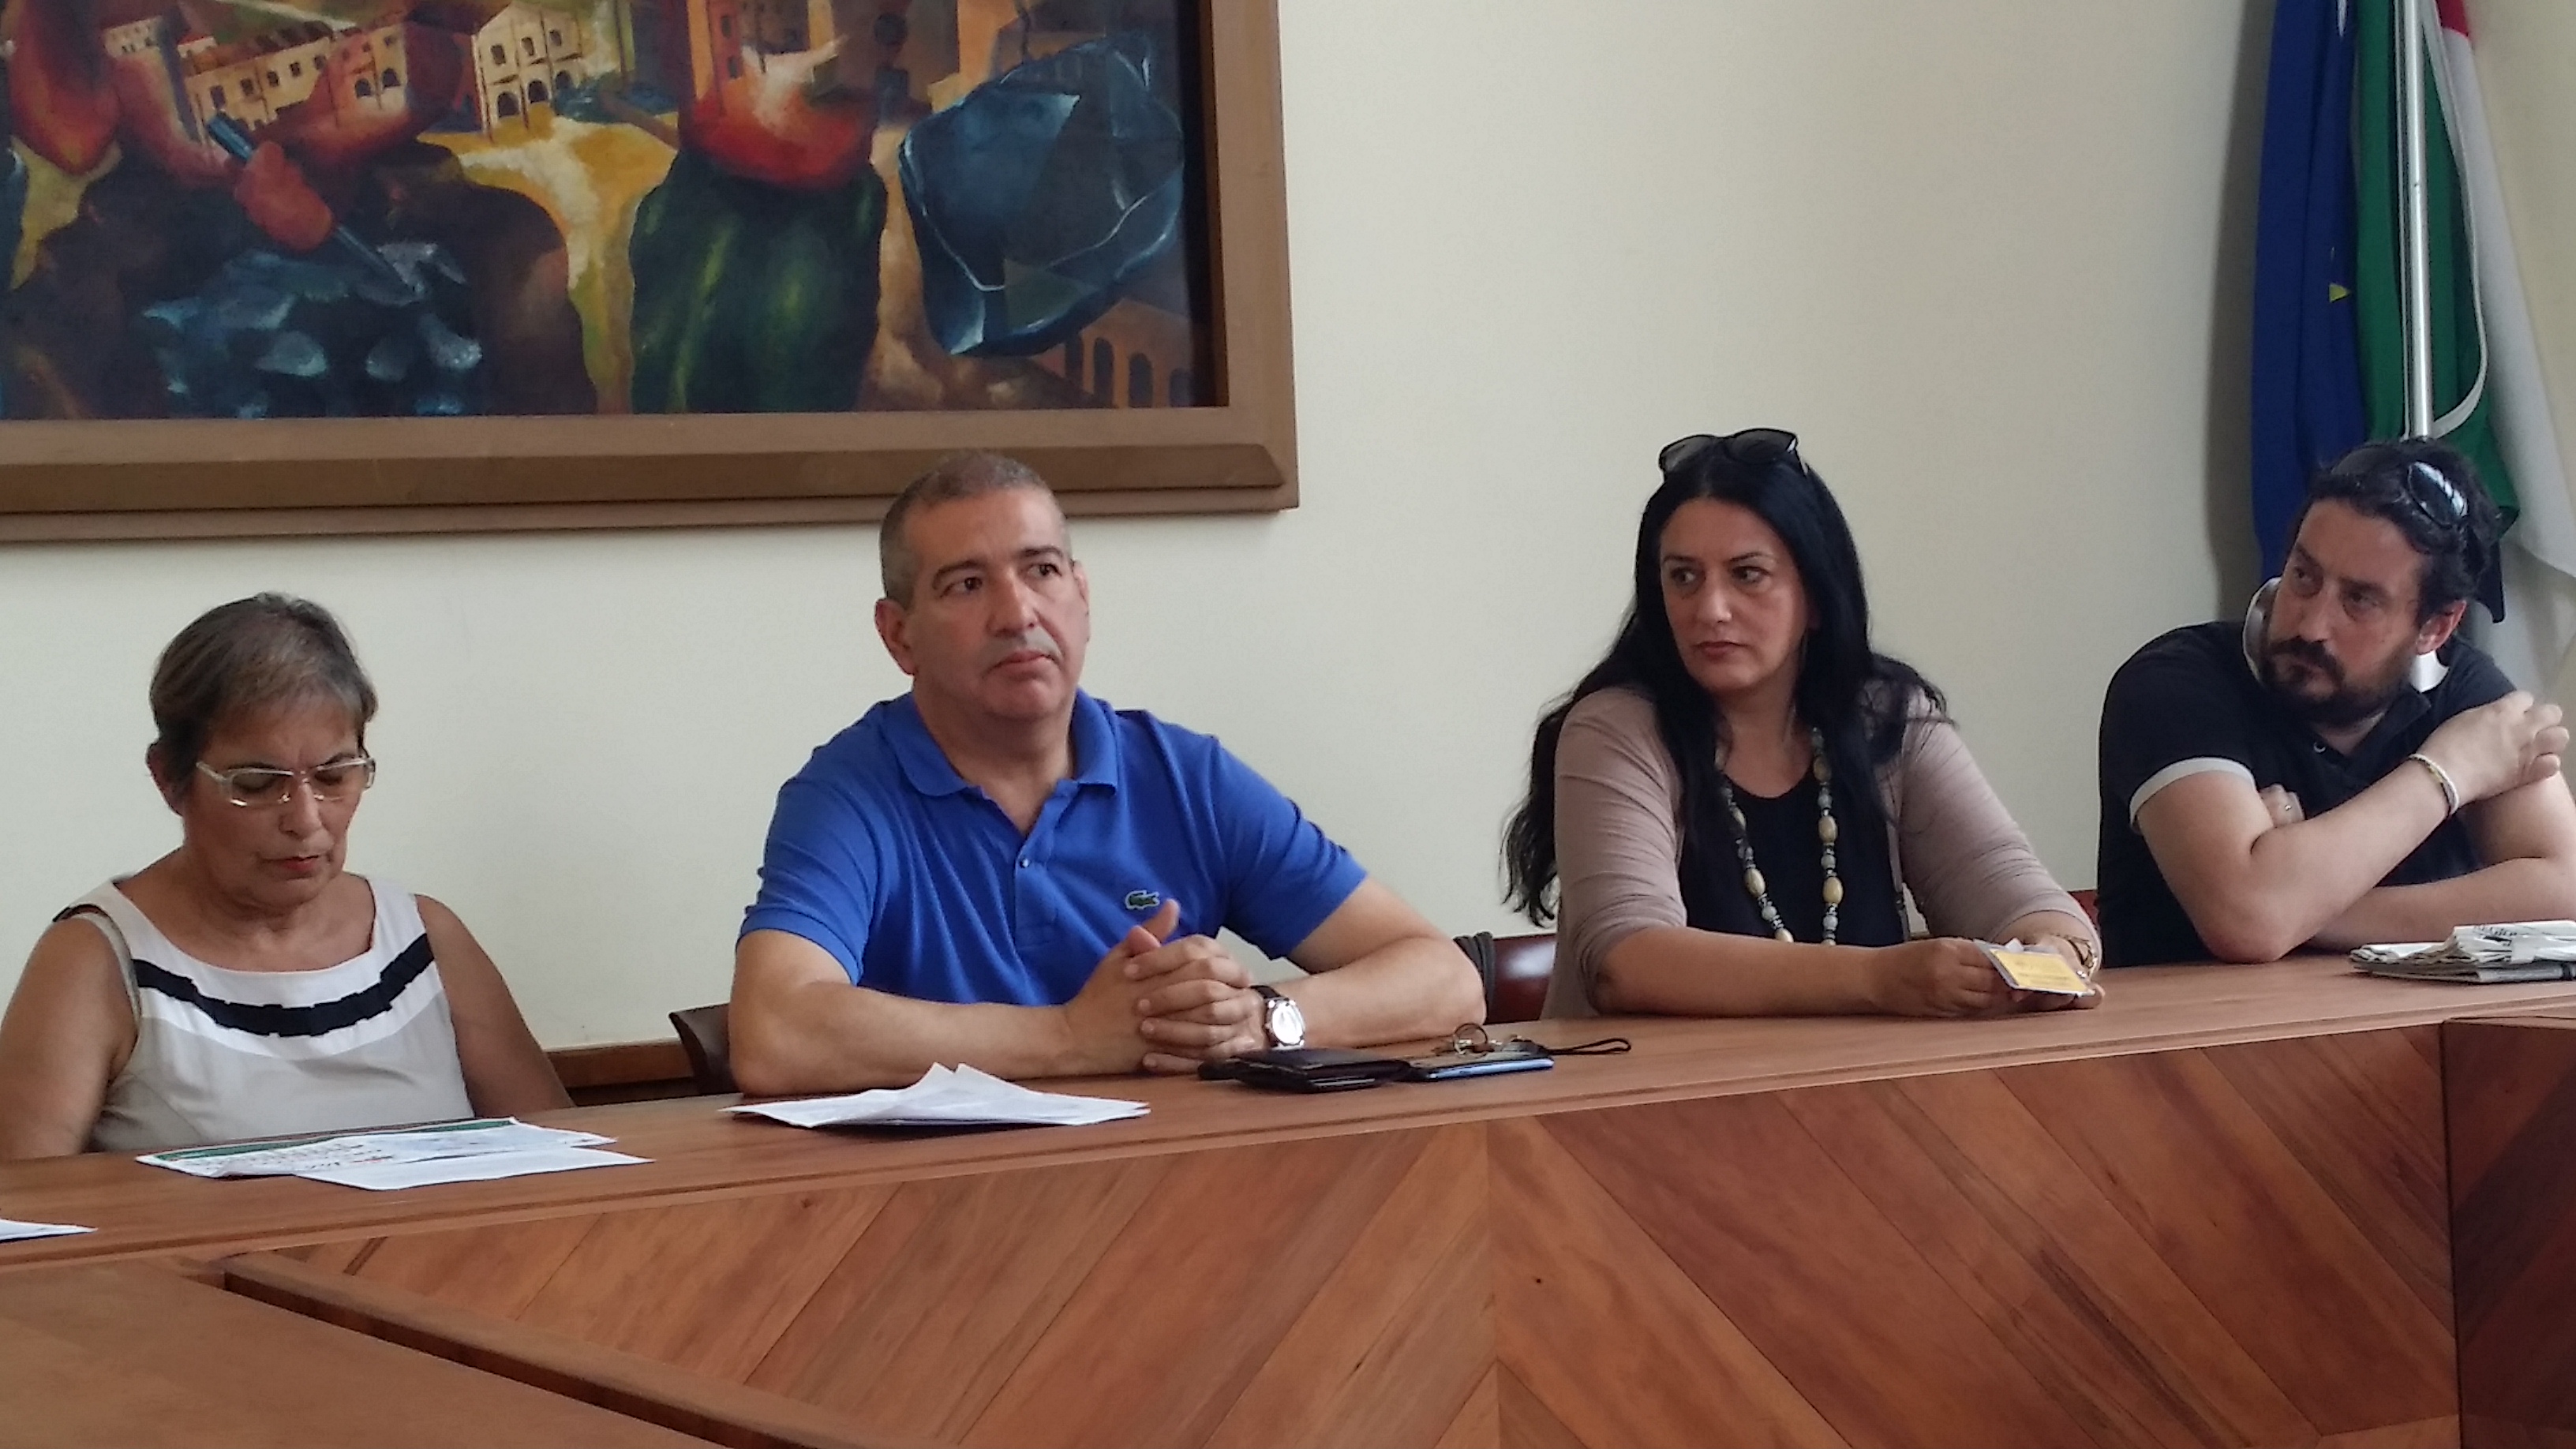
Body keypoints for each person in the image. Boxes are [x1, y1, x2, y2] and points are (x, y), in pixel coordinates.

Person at [731, 453, 1483, 1094]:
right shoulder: (848, 793)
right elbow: (774, 1031)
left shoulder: (1185, 776)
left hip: (1184, 1189)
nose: (1017, 613)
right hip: (943, 1205)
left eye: (1042, 570)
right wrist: (1070, 1037)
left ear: (1082, 597)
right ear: (900, 637)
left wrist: (1257, 1019)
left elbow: (1445, 979)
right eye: (966, 585)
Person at [1503, 429, 2098, 1019]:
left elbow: (2021, 895)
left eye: (1747, 574)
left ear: (1815, 595)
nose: (1710, 609)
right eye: (1683, 577)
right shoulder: (1616, 729)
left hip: (1871, 1079)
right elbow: (1627, 961)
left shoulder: (1889, 716)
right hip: (1657, 1082)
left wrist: (2054, 955)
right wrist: (1878, 978)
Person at [0, 596, 566, 1159]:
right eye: (256, 784)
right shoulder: (98, 960)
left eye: (335, 777)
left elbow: (563, 1159)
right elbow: (25, 1201)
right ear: (169, 779)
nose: (306, 820)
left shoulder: (425, 939)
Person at [2097, 439, 2576, 965]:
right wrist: (2447, 774)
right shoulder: (2175, 682)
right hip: (2197, 1020)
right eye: (2304, 577)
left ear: (2436, 628)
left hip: (2402, 1017)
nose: (2311, 625)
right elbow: (2248, 919)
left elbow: (2566, 894)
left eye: (2360, 600)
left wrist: (2301, 906)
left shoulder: (2465, 695)